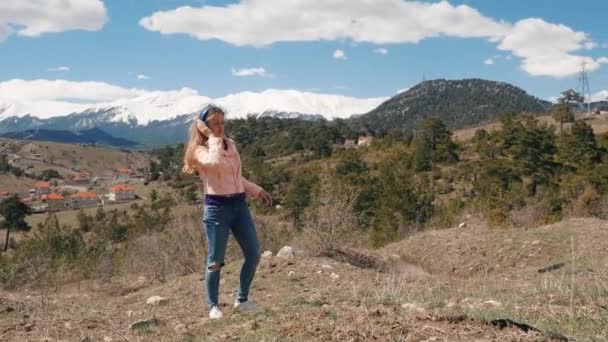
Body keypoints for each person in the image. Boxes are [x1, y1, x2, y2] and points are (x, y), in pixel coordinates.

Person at [182, 104, 272, 319]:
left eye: (222, 122)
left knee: (253, 254)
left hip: (239, 206)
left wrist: (256, 190)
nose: (220, 127)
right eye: (214, 123)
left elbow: (235, 178)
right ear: (203, 126)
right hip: (217, 209)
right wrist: (210, 136)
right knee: (215, 261)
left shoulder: (230, 144)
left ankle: (242, 300)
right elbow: (213, 164)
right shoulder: (200, 150)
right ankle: (213, 306)